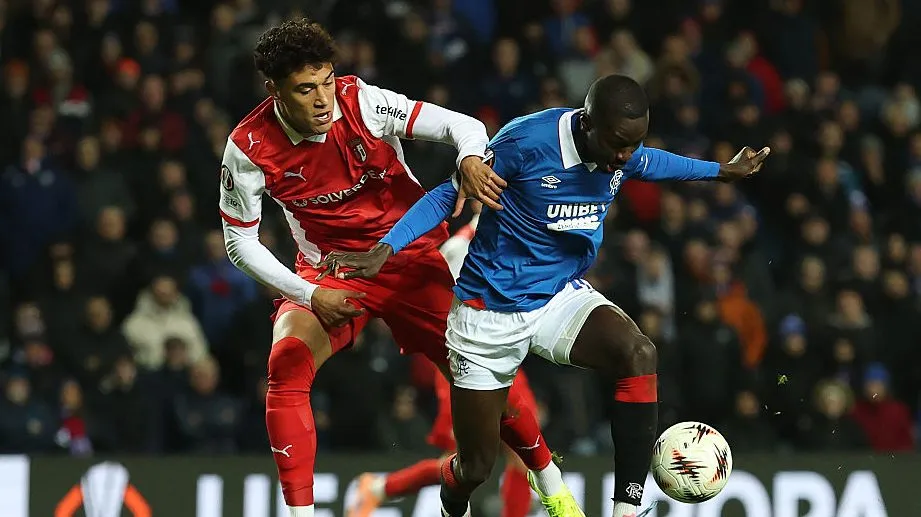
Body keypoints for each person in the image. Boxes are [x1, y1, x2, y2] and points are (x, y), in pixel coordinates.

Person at [318, 74, 770, 517]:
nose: (624, 156)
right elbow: (447, 195)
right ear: (587, 124)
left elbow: (653, 162)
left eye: (633, 144)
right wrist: (385, 250)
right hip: (486, 317)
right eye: (618, 144)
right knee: (475, 466)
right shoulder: (527, 144)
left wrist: (721, 172)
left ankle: (627, 509)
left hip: (557, 295)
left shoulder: (620, 151)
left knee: (637, 353)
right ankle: (452, 504)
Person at [219, 18, 576, 517]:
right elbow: (239, 242)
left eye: (326, 81)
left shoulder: (363, 102)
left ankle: (549, 479)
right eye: (305, 89)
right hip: (331, 270)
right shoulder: (248, 148)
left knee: (485, 372)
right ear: (273, 91)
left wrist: (472, 157)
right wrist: (306, 293)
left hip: (406, 259)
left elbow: (463, 126)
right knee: (285, 366)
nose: (324, 99)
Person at [348, 204, 535, 517]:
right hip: (460, 361)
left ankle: (380, 489)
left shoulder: (517, 235)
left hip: (502, 357)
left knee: (523, 447)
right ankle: (381, 488)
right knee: (463, 460)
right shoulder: (459, 248)